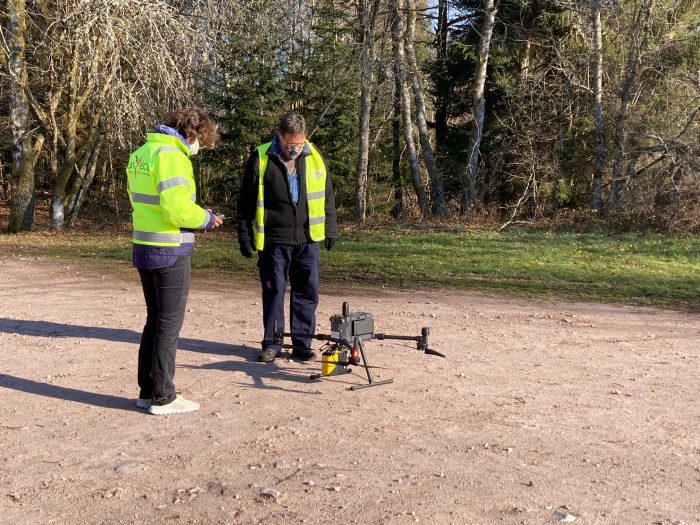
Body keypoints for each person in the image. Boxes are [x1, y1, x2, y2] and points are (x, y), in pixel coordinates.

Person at [126, 106, 223, 415]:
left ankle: (148, 391)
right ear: (190, 134)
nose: (198, 148)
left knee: (154, 322)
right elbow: (177, 209)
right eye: (200, 141)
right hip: (169, 248)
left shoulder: (142, 152)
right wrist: (207, 218)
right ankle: (163, 397)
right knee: (168, 325)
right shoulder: (172, 157)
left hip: (145, 244)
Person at [237, 111, 337, 363]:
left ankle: (303, 343)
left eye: (300, 144)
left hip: (308, 239)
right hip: (274, 240)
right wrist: (243, 233)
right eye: (292, 144)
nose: (296, 149)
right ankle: (272, 343)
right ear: (280, 136)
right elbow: (245, 201)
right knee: (274, 291)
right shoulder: (260, 157)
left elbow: (327, 195)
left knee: (307, 292)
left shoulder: (314, 156)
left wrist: (331, 229)